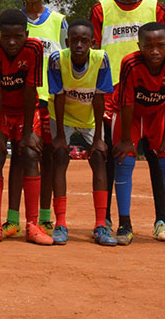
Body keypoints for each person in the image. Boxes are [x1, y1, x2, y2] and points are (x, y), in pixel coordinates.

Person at [90, 0, 165, 239]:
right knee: (115, 160)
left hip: (152, 94)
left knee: (158, 157)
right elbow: (93, 53)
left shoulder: (155, 9)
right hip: (114, 96)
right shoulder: (101, 10)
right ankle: (110, 219)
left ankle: (161, 220)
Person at [112, 22, 165, 248]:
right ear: (140, 46)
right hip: (130, 115)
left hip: (159, 115)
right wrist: (126, 140)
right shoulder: (130, 63)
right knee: (124, 161)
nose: (155, 51)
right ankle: (124, 225)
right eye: (148, 46)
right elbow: (127, 104)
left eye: (160, 45)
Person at [3, 0, 68, 238]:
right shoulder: (15, 22)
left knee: (49, 157)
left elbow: (64, 59)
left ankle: (44, 217)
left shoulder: (58, 20)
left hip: (49, 99)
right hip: (19, 98)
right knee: (20, 154)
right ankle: (13, 218)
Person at [0, 9, 51, 245]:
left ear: (26, 34)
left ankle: (32, 224)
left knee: (30, 154)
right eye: (6, 36)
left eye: (17, 37)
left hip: (25, 110)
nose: (11, 42)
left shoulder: (34, 48)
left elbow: (31, 91)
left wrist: (28, 132)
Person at [47, 20, 115, 245]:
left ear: (92, 43)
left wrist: (97, 139)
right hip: (63, 115)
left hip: (89, 118)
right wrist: (59, 137)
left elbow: (99, 97)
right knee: (59, 157)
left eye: (84, 41)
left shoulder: (101, 59)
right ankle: (61, 223)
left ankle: (100, 225)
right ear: (67, 42)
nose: (79, 45)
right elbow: (58, 95)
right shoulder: (57, 59)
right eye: (74, 40)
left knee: (98, 157)